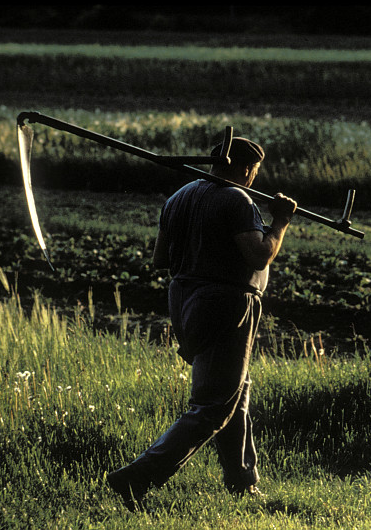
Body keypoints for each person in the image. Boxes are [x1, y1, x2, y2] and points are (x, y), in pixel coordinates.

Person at [107, 136, 296, 512]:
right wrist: (280, 222)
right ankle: (136, 477)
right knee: (212, 405)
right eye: (255, 173)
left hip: (185, 300)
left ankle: (242, 482)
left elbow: (162, 257)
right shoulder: (237, 199)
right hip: (227, 304)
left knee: (235, 393)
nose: (254, 180)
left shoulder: (179, 196)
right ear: (246, 169)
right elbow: (259, 256)